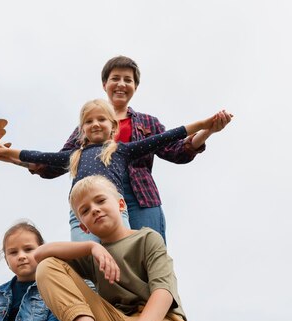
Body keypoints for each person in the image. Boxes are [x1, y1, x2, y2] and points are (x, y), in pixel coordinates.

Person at [33, 175, 223, 321]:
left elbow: (163, 291)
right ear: (83, 226)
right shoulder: (92, 255)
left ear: (121, 204)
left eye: (100, 200)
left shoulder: (146, 238)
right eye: (85, 210)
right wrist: (92, 247)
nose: (95, 210)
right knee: (48, 267)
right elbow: (41, 254)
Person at [28, 55, 231, 243]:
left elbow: (178, 151)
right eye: (116, 78)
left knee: (147, 254)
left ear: (135, 86)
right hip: (95, 196)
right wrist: (15, 157)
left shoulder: (147, 122)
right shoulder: (87, 126)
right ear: (105, 84)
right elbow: (59, 162)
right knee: (97, 262)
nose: (122, 84)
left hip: (139, 196)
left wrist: (208, 130)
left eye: (128, 80)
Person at [0, 99, 230, 242]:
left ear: (112, 126)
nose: (95, 124)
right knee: (86, 258)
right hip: (81, 214)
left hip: (115, 208)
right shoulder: (75, 155)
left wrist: (204, 125)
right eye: (89, 121)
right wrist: (5, 155)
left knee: (122, 256)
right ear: (81, 129)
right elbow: (39, 157)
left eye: (101, 120)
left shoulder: (122, 150)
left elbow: (167, 138)